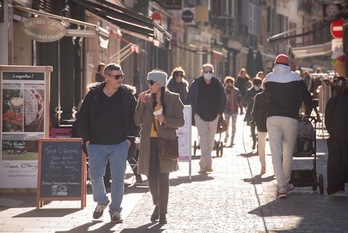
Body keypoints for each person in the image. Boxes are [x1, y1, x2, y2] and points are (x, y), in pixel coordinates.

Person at [78, 63, 139, 223]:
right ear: (107, 77)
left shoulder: (127, 96)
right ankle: (102, 200)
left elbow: (135, 119)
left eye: (122, 76)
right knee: (95, 176)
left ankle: (115, 211)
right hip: (96, 144)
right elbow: (82, 117)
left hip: (120, 144)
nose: (121, 79)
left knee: (118, 178)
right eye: (117, 76)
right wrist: (87, 140)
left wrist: (129, 140)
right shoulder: (94, 95)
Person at [134, 69, 184, 224]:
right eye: (148, 81)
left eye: (151, 82)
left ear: (160, 84)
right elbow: (137, 121)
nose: (148, 85)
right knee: (151, 177)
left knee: (163, 178)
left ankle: (163, 213)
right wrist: (140, 103)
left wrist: (165, 120)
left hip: (166, 142)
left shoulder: (174, 99)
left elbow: (181, 122)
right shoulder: (146, 99)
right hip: (149, 143)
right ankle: (157, 204)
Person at [264, 54, 312, 199]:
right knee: (288, 153)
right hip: (291, 118)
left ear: (275, 63)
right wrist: (307, 112)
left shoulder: (268, 78)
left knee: (275, 153)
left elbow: (266, 97)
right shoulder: (296, 78)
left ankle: (282, 187)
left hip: (272, 118)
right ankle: (286, 183)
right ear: (288, 64)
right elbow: (307, 97)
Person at [186, 63, 226, 173]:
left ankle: (202, 164)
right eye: (205, 71)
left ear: (213, 72)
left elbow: (223, 99)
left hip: (214, 116)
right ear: (202, 72)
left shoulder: (218, 84)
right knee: (203, 139)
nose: (208, 74)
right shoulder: (196, 83)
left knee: (210, 141)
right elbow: (189, 98)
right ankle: (209, 163)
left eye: (210, 72)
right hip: (199, 116)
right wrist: (194, 113)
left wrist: (219, 113)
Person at [324, 77, 348, 197]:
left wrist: (331, 131)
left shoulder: (332, 100)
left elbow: (327, 119)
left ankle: (335, 188)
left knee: (335, 160)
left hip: (336, 134)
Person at [244, 77, 263, 150]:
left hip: (260, 112)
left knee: (259, 128)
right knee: (252, 128)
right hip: (251, 112)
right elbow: (245, 100)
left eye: (259, 84)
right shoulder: (249, 91)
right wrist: (252, 100)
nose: (257, 86)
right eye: (256, 84)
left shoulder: (262, 91)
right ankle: (254, 141)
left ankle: (259, 143)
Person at [251, 90, 268, 174]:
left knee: (273, 146)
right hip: (262, 122)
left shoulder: (276, 95)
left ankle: (273, 165)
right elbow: (255, 110)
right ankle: (263, 165)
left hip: (272, 123)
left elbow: (254, 111)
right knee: (261, 145)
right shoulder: (259, 96)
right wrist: (254, 119)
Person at [223, 76, 242, 147]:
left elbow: (239, 99)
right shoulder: (224, 90)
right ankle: (226, 135)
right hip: (226, 109)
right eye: (228, 82)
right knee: (226, 124)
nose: (230, 84)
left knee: (234, 125)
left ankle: (232, 139)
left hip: (234, 109)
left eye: (231, 82)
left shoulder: (236, 90)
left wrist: (241, 108)